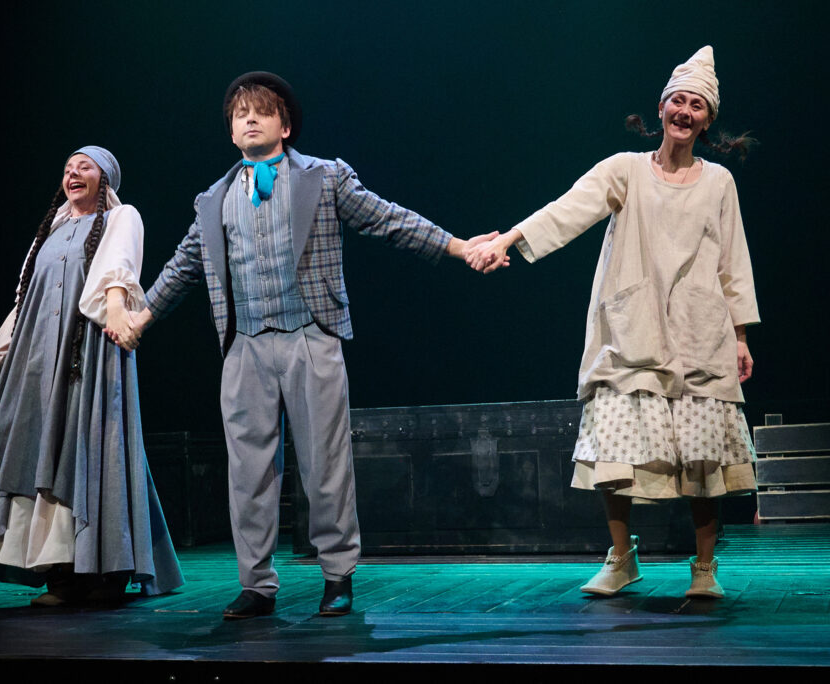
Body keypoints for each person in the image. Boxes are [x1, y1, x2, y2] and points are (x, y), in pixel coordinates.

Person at [123, 72, 498, 619]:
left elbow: (388, 219)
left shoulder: (323, 178)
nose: (250, 119)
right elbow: (183, 268)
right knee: (248, 471)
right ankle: (256, 584)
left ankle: (337, 574)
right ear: (231, 132)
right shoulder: (213, 199)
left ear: (285, 126)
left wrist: (458, 247)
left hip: (310, 334)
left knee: (325, 463)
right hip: (245, 345)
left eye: (261, 111)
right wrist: (140, 318)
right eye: (240, 115)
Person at [467, 47, 759, 598]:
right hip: (633, 330)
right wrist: (508, 239)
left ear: (707, 121)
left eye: (696, 105)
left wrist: (741, 335)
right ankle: (622, 559)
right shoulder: (625, 169)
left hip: (699, 331)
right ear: (661, 108)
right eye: (678, 100)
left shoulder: (719, 182)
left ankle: (704, 569)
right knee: (616, 447)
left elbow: (733, 261)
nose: (685, 111)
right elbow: (568, 208)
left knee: (703, 454)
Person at [0, 146, 184, 606]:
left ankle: (101, 572)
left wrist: (117, 309)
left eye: (85, 167)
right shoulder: (50, 233)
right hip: (38, 361)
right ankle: (59, 571)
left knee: (91, 450)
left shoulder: (121, 218)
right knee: (41, 455)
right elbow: (26, 302)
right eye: (67, 169)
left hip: (89, 354)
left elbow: (118, 270)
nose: (73, 173)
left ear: (105, 179)